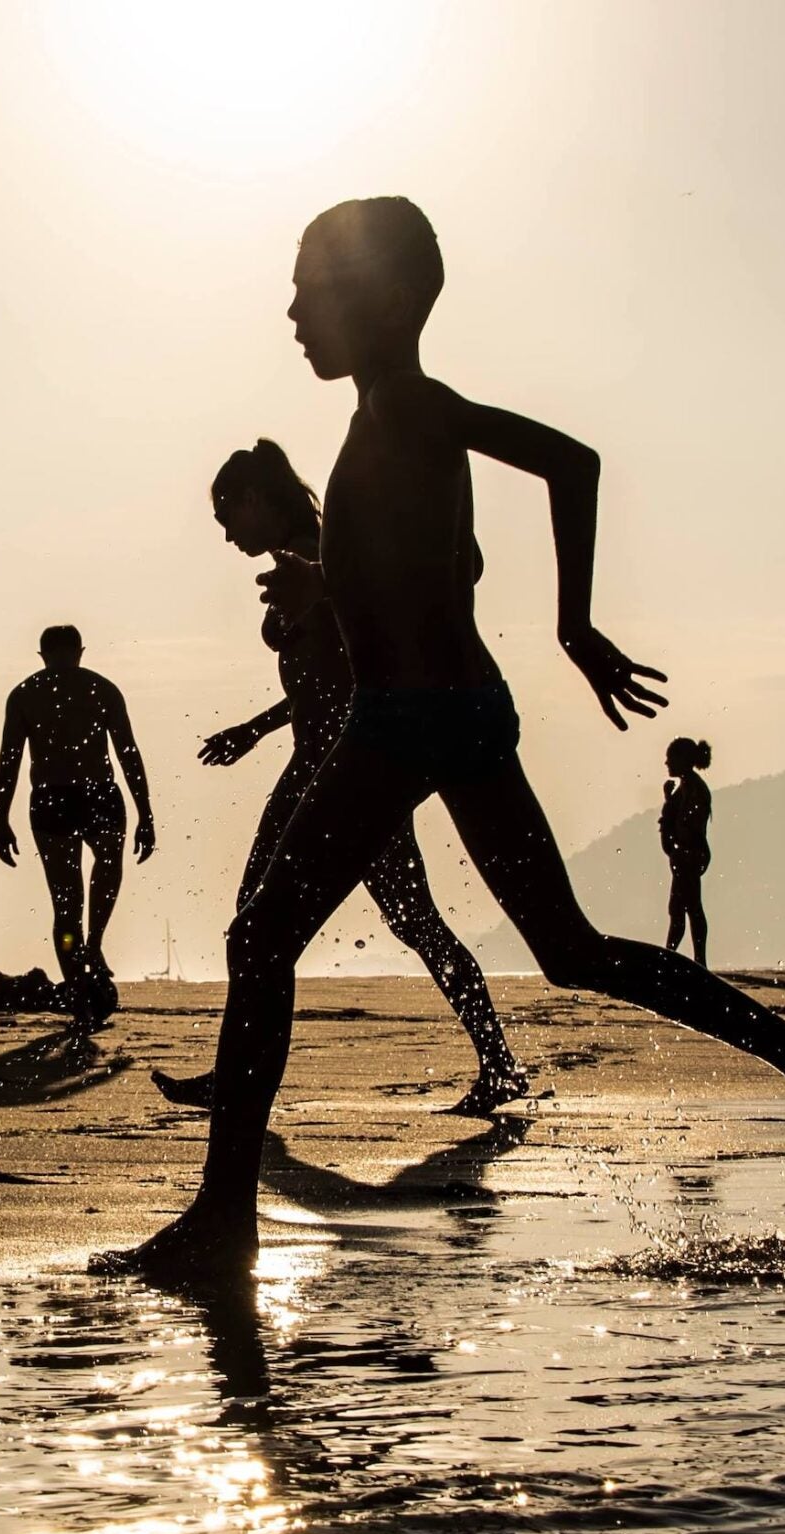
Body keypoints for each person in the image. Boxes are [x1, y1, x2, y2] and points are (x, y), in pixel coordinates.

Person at [95, 198, 785, 1284]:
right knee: (570, 951)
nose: (289, 310)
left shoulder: (411, 407)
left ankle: (221, 1221)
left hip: (412, 719)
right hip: (452, 712)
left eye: (308, 286)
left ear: (375, 299)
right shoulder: (384, 418)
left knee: (260, 939)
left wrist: (574, 622)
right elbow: (425, 565)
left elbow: (574, 462)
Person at [153, 439, 529, 1116]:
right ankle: (495, 1059)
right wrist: (257, 728)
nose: (226, 531)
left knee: (287, 924)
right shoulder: (304, 562)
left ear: (260, 499)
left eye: (228, 513)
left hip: (355, 766)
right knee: (331, 922)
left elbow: (369, 660)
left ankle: (495, 1060)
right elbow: (320, 681)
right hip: (320, 762)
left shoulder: (330, 556)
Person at [0, 625, 157, 1027]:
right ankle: (94, 947)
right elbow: (128, 754)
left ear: (42, 653)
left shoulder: (26, 693)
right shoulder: (101, 689)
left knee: (67, 903)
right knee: (101, 873)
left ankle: (82, 992)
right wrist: (145, 813)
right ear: (80, 651)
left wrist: (1, 817)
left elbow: (9, 762)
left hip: (56, 798)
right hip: (95, 794)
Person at [659, 737, 715, 966]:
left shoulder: (694, 789)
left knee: (686, 908)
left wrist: (680, 852)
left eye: (670, 758)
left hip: (689, 856)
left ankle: (678, 957)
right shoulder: (687, 788)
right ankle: (681, 956)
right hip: (686, 856)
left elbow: (687, 824)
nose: (666, 763)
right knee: (682, 908)